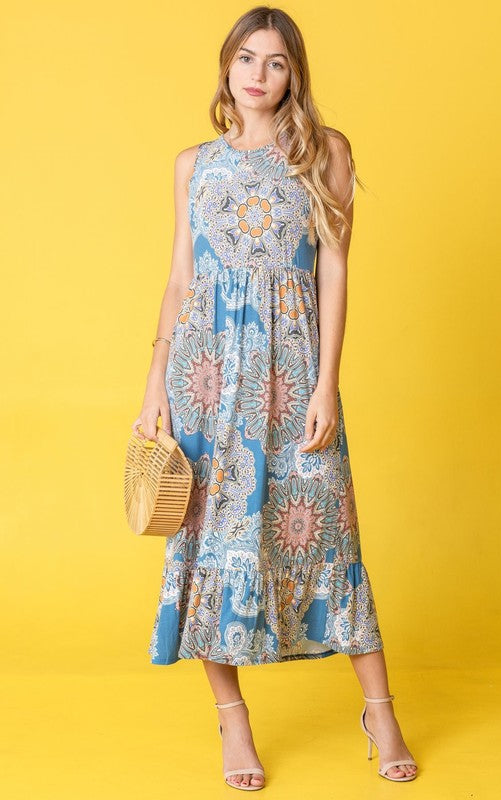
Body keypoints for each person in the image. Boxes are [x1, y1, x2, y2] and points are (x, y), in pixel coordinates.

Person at [132, 5, 418, 791]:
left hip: (293, 370)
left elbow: (332, 270)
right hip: (206, 376)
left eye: (277, 62)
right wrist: (155, 383)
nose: (258, 74)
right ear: (225, 68)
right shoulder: (195, 164)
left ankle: (380, 710)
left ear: (295, 75)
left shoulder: (323, 153)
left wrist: (328, 380)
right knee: (209, 541)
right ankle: (232, 719)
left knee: (329, 529)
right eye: (246, 59)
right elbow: (181, 280)